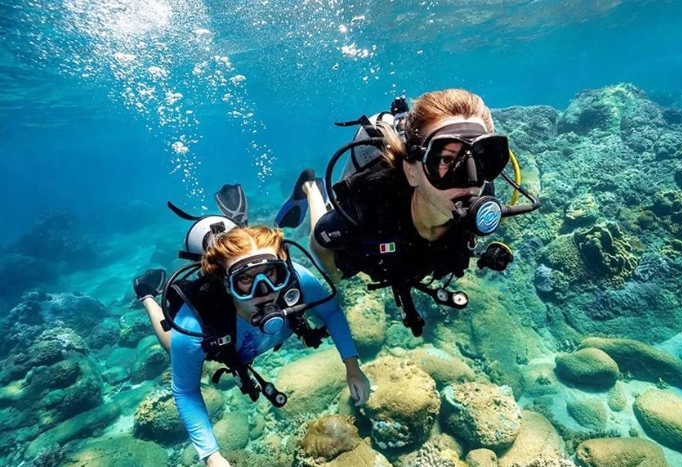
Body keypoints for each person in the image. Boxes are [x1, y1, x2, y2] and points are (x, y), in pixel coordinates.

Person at [275, 88, 539, 335]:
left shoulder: (484, 192)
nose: (470, 179)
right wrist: (331, 274)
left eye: (481, 158)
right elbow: (320, 239)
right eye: (446, 159)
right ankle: (311, 186)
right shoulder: (370, 204)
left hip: (410, 255)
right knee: (342, 268)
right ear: (412, 171)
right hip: (373, 239)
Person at [134, 224, 370, 467]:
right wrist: (211, 455)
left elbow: (331, 312)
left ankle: (228, 230)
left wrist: (352, 366)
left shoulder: (297, 280)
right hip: (218, 340)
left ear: (283, 268)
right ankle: (147, 294)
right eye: (245, 279)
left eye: (270, 272)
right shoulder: (194, 323)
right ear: (226, 284)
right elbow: (185, 390)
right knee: (173, 346)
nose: (264, 291)